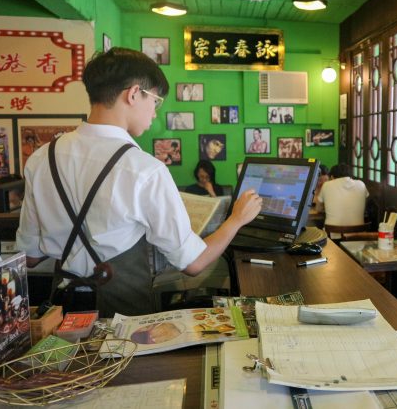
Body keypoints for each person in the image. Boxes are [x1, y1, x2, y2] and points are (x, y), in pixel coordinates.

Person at [16, 47, 262, 318]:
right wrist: (237, 219)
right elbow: (194, 263)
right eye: (156, 101)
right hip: (122, 318)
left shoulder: (42, 158)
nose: (155, 113)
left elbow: (30, 257)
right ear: (133, 94)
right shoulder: (145, 170)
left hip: (60, 311)